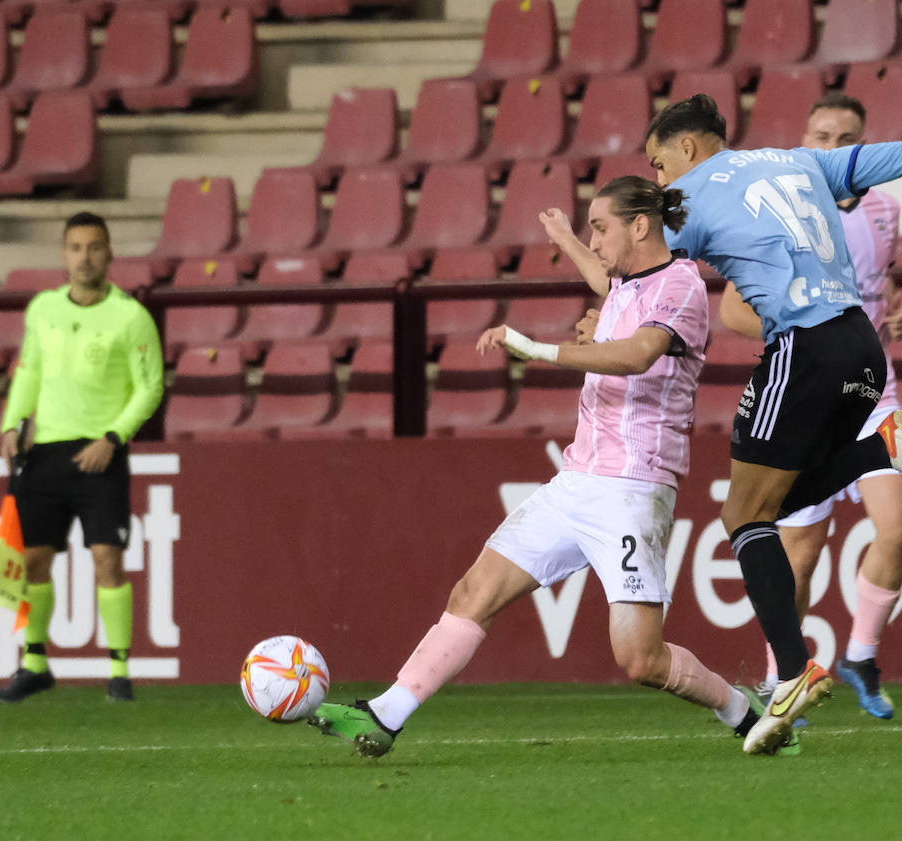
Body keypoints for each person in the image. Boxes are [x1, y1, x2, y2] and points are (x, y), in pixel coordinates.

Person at [644, 94, 902, 753]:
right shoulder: (802, 162)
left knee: (743, 519)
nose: (658, 178)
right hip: (864, 350)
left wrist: (601, 301)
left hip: (803, 347)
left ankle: (791, 671)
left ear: (691, 149)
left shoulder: (687, 195)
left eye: (658, 162)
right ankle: (881, 447)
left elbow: (642, 268)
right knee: (759, 512)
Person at [307, 177, 775, 758]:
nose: (594, 239)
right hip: (576, 481)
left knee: (640, 660)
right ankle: (387, 714)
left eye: (600, 227)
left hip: (633, 487)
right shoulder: (628, 284)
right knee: (473, 591)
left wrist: (537, 349)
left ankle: (739, 709)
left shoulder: (680, 285)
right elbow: (607, 283)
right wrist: (566, 240)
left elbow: (636, 354)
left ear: (640, 226)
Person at [719, 93, 902, 720]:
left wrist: (893, 310)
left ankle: (860, 654)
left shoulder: (887, 208)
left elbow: (877, 284)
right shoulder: (778, 209)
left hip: (871, 389)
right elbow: (730, 310)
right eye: (823, 135)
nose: (833, 146)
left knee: (900, 527)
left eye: (847, 136)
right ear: (804, 141)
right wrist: (804, 334)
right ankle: (784, 680)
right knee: (800, 551)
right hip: (807, 392)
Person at [0, 213, 164, 704]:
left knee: (106, 558)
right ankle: (35, 663)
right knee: (31, 560)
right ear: (64, 254)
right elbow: (28, 370)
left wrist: (113, 437)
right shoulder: (42, 309)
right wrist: (11, 423)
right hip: (45, 451)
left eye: (93, 247)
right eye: (75, 247)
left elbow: (150, 387)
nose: (84, 256)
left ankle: (120, 670)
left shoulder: (130, 317)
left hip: (99, 453)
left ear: (109, 254)